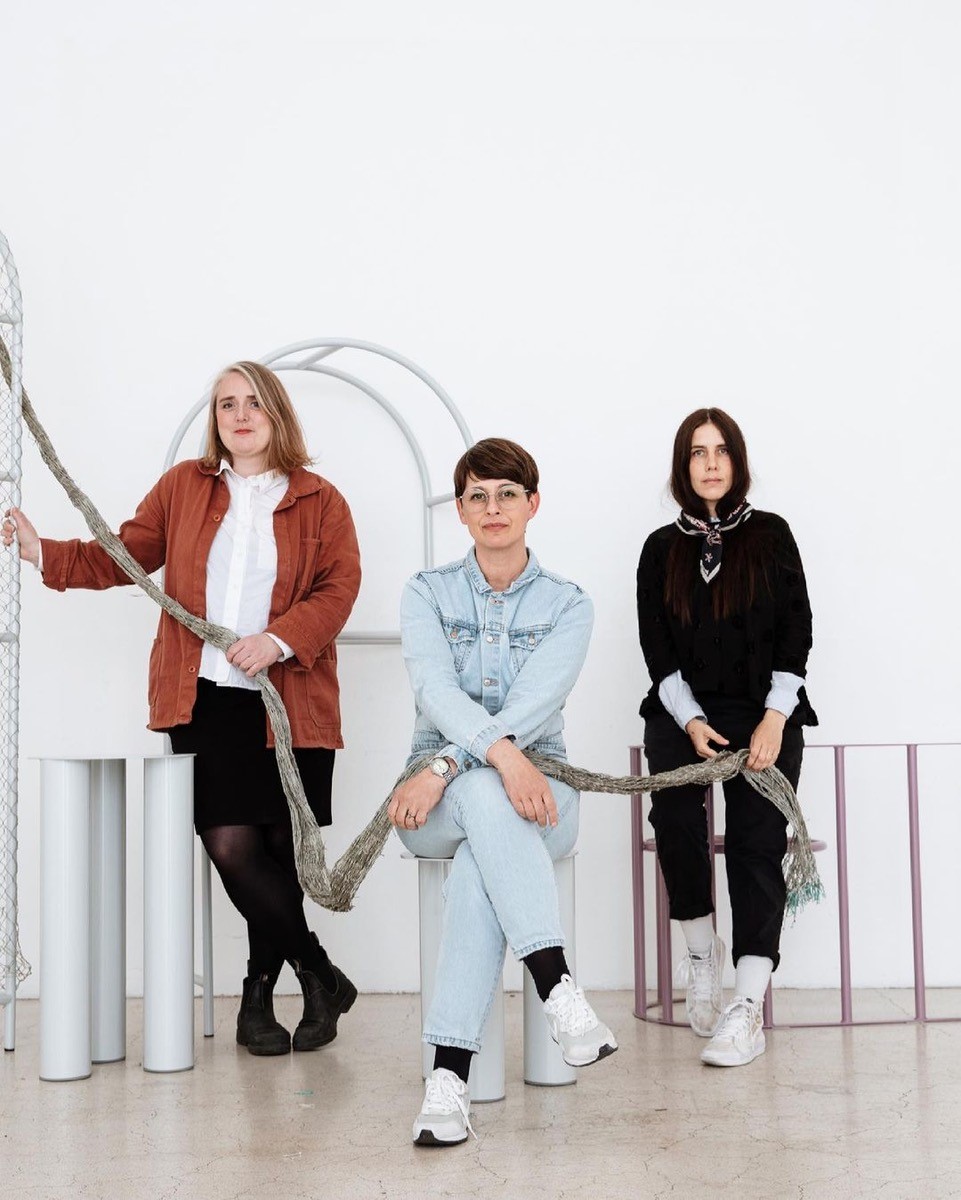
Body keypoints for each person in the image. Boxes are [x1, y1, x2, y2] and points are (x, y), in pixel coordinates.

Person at [3, 362, 362, 1057]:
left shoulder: (321, 499)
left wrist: (277, 640)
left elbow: (338, 587)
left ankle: (259, 996)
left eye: (253, 402)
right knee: (232, 845)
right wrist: (39, 551)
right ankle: (319, 974)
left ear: (277, 413)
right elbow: (123, 556)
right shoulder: (184, 489)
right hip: (204, 699)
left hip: (291, 698)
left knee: (281, 855)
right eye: (226, 403)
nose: (239, 414)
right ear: (216, 419)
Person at [388, 437, 617, 1148]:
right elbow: (432, 687)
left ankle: (446, 1079)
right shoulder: (426, 592)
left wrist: (487, 763)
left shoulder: (568, 604)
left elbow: (537, 697)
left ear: (532, 504)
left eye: (507, 494)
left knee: (479, 848)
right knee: (486, 798)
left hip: (540, 789)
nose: (493, 509)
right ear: (460, 509)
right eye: (478, 496)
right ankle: (556, 987)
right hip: (429, 798)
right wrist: (476, 764)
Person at [636, 408, 816, 1068]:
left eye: (720, 451)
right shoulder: (659, 548)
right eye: (695, 453)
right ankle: (698, 954)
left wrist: (774, 719)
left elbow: (795, 631)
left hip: (763, 707)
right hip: (684, 711)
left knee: (754, 840)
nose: (709, 463)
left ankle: (746, 1005)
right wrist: (686, 720)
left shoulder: (770, 535)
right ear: (682, 467)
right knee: (675, 818)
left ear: (736, 462)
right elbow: (656, 649)